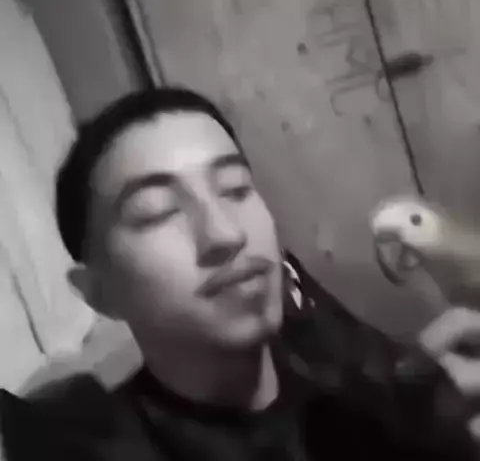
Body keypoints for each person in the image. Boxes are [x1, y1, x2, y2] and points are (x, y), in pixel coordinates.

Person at [0, 87, 476, 460]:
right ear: (98, 293)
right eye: (156, 211)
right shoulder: (104, 445)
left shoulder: (350, 371)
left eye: (235, 189)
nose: (226, 233)